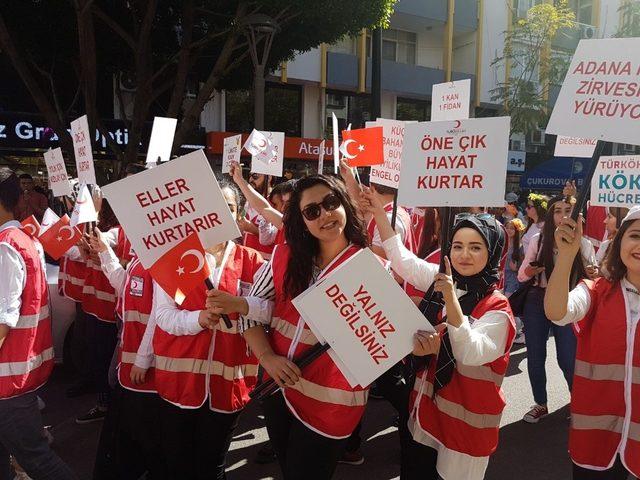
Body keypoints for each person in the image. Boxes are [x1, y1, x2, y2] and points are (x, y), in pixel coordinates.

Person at [218, 175, 370, 480]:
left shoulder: (372, 269)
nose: (325, 214)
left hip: (331, 406)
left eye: (331, 203)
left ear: (344, 204)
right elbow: (251, 313)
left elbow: (381, 348)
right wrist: (267, 358)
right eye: (312, 211)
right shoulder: (284, 257)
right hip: (279, 391)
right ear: (300, 221)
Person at [360, 188, 515, 480]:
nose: (464, 255)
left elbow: (471, 352)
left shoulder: (498, 307)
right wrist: (380, 213)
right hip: (424, 414)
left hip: (464, 432)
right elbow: (401, 259)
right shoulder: (441, 279)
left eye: (476, 247)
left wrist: (451, 303)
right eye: (457, 246)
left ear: (493, 252)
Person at [153, 181, 264, 480]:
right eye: (210, 207)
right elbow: (163, 316)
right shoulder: (175, 258)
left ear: (238, 215)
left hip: (228, 387)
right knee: (177, 464)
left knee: (211, 467)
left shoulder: (253, 262)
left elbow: (271, 312)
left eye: (227, 208)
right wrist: (197, 320)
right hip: (179, 383)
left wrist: (240, 304)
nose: (217, 215)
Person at [544, 206, 640, 480]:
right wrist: (566, 258)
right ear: (619, 241)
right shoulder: (596, 290)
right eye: (635, 235)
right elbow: (556, 312)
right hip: (595, 439)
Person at [0, 167, 77, 480]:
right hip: (16, 377)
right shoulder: (22, 240)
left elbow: (4, 319)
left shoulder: (6, 245)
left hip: (8, 383)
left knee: (38, 461)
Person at [89, 227, 165, 479]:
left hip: (148, 374)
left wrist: (143, 360)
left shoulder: (163, 258)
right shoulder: (140, 256)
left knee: (149, 438)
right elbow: (124, 286)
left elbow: (158, 316)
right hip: (130, 365)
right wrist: (105, 253)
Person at [517, 195, 595, 423]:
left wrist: (593, 273)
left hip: (568, 304)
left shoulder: (584, 243)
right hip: (537, 301)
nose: (563, 215)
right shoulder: (539, 240)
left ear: (577, 214)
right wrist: (531, 271)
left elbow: (594, 274)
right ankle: (540, 403)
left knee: (568, 357)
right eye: (557, 210)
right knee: (535, 355)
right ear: (551, 216)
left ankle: (577, 403)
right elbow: (522, 274)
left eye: (568, 210)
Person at [237, 171, 275, 259]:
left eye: (255, 176)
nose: (250, 179)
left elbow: (278, 235)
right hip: (246, 258)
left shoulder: (276, 202)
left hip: (265, 261)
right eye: (249, 176)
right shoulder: (247, 201)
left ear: (269, 178)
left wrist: (252, 228)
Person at [504, 218, 526, 344]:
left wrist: (516, 267)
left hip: (513, 278)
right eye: (507, 227)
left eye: (512, 228)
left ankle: (517, 327)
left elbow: (523, 266)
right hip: (503, 277)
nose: (509, 230)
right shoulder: (502, 243)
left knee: (509, 303)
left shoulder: (520, 246)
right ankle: (514, 328)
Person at [594, 207, 629, 276]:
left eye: (609, 217)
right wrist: (594, 272)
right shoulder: (605, 245)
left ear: (621, 220)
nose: (605, 221)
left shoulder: (632, 247)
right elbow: (597, 267)